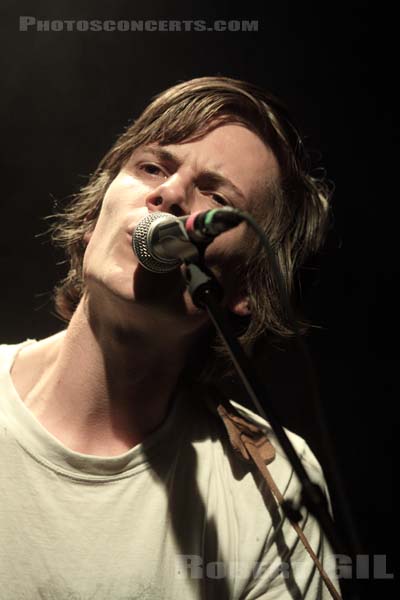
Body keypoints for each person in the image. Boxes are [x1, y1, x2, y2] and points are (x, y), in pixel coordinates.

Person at [0, 76, 340, 599]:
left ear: (246, 285)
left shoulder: (272, 482)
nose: (171, 194)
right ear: (94, 218)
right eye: (152, 167)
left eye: (216, 196)